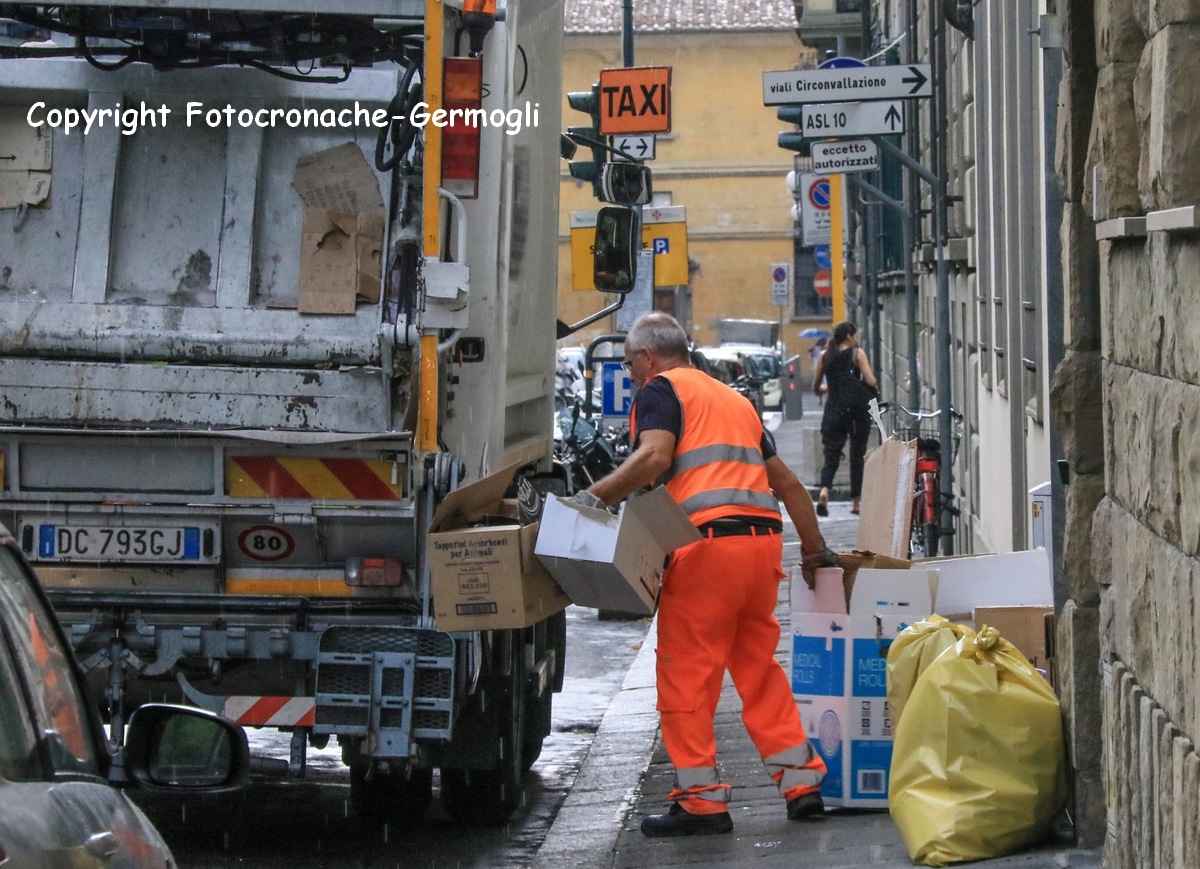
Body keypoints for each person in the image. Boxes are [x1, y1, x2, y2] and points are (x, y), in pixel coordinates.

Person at [574, 312, 836, 837]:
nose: (630, 376)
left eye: (629, 364)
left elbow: (654, 457)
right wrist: (815, 553)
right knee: (758, 670)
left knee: (686, 675)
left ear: (649, 357)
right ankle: (801, 785)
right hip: (761, 549)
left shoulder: (660, 390)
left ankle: (700, 802)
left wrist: (591, 500)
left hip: (706, 550)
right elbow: (786, 484)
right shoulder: (732, 400)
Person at [812, 321, 879, 516]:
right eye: (855, 335)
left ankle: (825, 490)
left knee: (831, 454)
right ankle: (856, 502)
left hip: (833, 410)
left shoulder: (825, 357)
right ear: (849, 336)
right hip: (855, 411)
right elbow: (871, 380)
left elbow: (816, 387)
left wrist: (826, 389)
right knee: (857, 455)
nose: (856, 339)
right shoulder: (857, 354)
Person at [809, 338, 828, 405]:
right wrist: (812, 350)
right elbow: (811, 355)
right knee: (820, 384)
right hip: (818, 368)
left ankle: (824, 397)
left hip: (823, 368)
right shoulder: (816, 349)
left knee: (824, 384)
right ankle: (821, 398)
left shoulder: (826, 349)